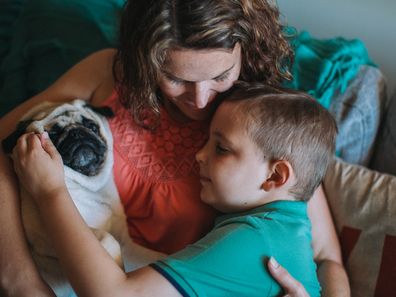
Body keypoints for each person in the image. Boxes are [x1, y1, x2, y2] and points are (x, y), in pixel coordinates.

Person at [0, 0, 349, 296]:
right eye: (177, 78)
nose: (200, 99)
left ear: (245, 48)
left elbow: (325, 257)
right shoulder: (107, 74)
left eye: (220, 74)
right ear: (145, 58)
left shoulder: (261, 127)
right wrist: (20, 280)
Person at [11, 83, 336, 297]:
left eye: (221, 149)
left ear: (275, 176)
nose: (199, 154)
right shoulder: (285, 228)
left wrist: (50, 191)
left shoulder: (256, 240)